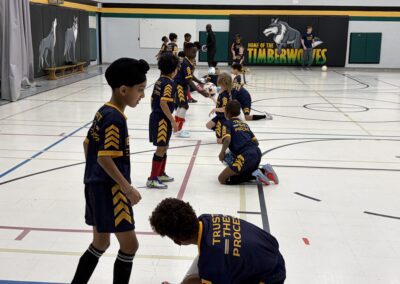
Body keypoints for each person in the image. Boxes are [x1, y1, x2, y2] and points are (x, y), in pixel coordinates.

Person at [71, 58, 148, 284]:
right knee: (130, 245)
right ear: (124, 90)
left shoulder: (104, 111)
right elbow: (105, 158)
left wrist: (92, 174)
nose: (142, 95)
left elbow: (88, 144)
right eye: (140, 90)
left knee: (101, 242)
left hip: (95, 186)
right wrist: (128, 189)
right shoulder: (115, 118)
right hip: (111, 190)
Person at [150, 198, 286, 284]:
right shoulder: (206, 220)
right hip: (271, 257)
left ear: (177, 241)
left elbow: (212, 263)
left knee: (193, 280)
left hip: (270, 278)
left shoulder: (212, 260)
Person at [217, 100, 278, 185]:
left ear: (226, 113)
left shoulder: (227, 123)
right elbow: (256, 142)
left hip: (246, 156)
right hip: (257, 153)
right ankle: (264, 171)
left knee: (222, 179)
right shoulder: (244, 124)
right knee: (243, 171)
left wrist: (222, 153)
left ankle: (258, 174)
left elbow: (227, 139)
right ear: (239, 113)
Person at [147, 54, 180, 189]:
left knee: (164, 146)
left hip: (158, 117)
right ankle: (152, 178)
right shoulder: (169, 83)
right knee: (161, 148)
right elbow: (163, 103)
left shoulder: (160, 80)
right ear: (174, 70)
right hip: (162, 120)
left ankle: (160, 174)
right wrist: (172, 121)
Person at [174, 42, 209, 138]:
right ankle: (178, 131)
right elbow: (189, 80)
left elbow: (190, 76)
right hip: (179, 86)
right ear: (186, 51)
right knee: (184, 106)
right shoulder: (185, 63)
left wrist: (199, 81)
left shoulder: (187, 62)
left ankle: (176, 128)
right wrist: (200, 91)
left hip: (183, 86)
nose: (195, 54)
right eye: (193, 52)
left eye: (196, 52)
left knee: (181, 106)